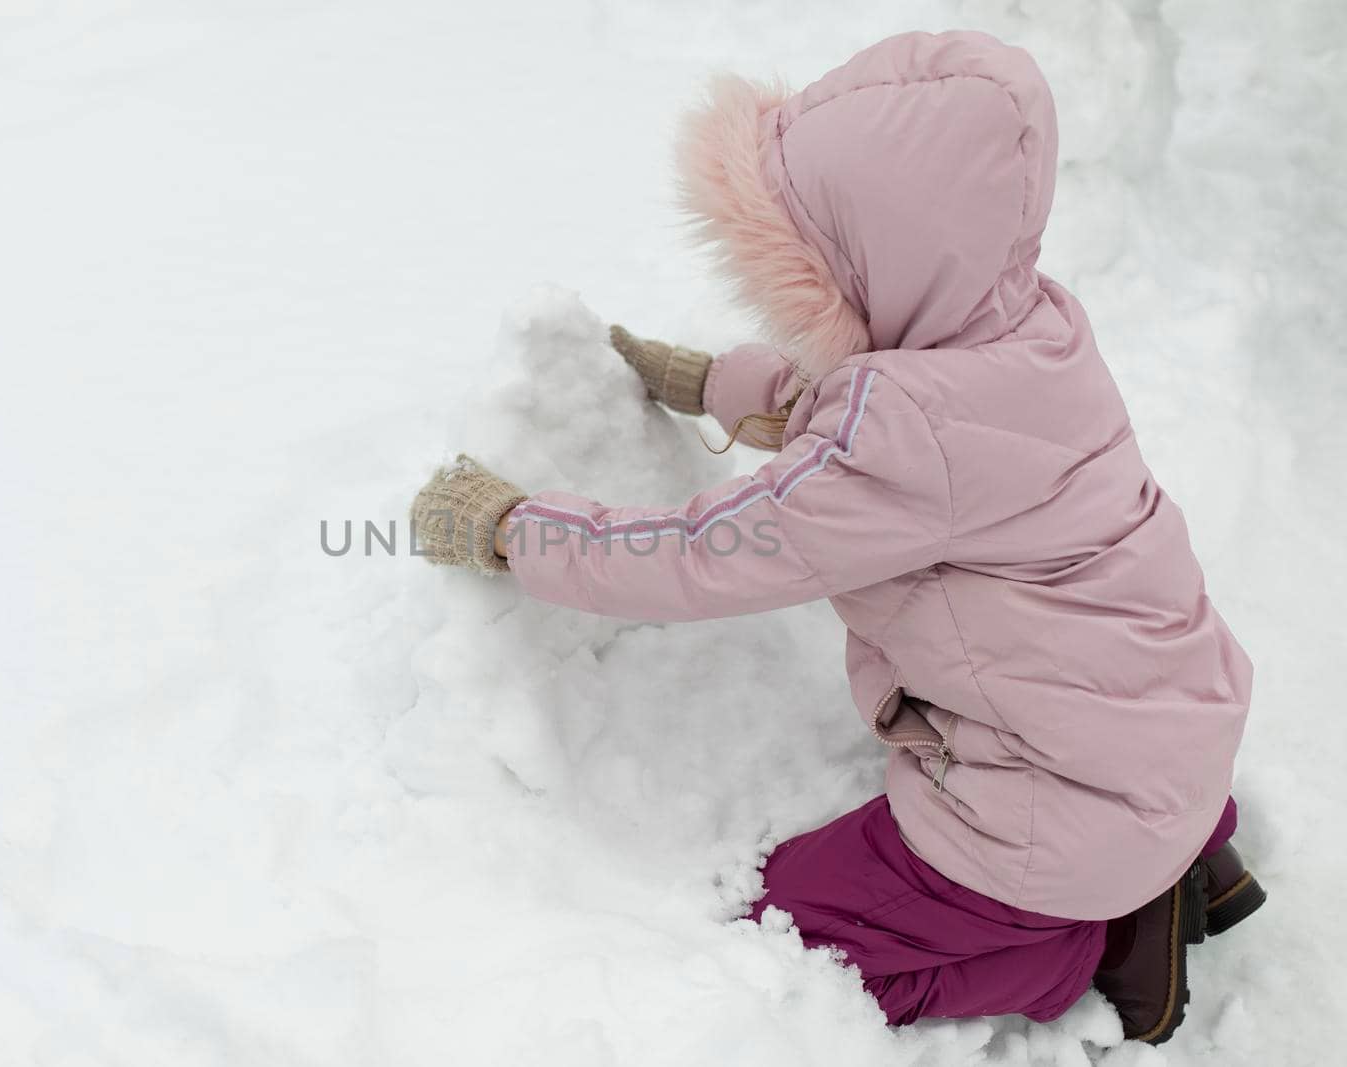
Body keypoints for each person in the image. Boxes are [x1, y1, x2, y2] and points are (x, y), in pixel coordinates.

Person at [409, 30, 1264, 1044]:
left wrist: (513, 529)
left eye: (807, 264)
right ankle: (1184, 858)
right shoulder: (1031, 333)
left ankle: (1086, 944)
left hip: (1056, 829)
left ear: (866, 261)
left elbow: (704, 551)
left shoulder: (902, 433)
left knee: (789, 938)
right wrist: (708, 382)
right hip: (1179, 740)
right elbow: (879, 431)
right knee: (1114, 809)